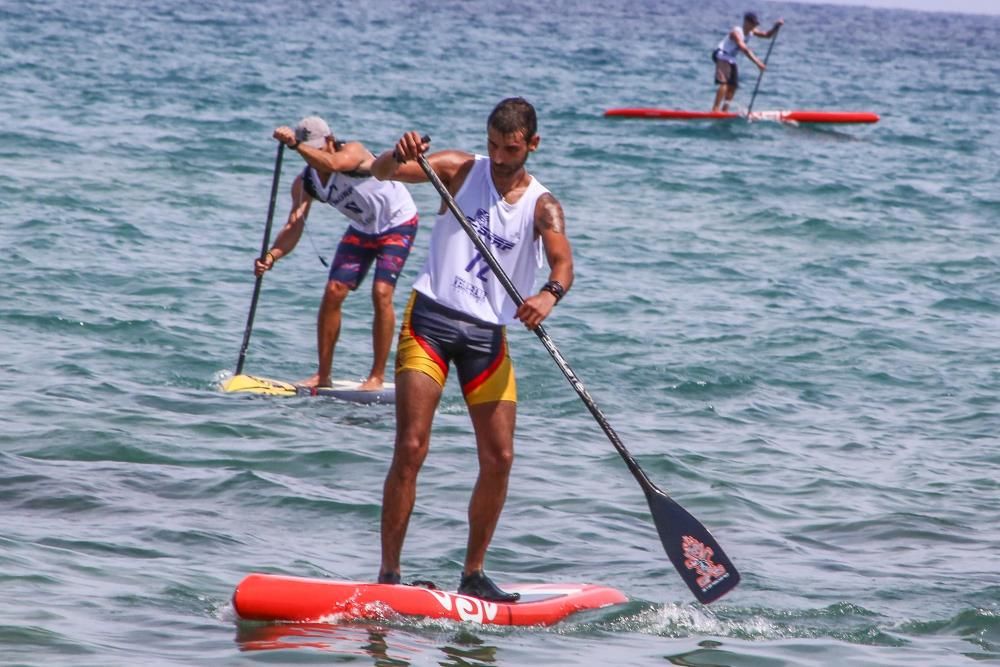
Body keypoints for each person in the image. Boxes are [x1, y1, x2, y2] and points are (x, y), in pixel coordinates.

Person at [369, 97, 574, 602]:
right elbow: (382, 171)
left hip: (487, 338)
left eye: (511, 149)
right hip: (431, 322)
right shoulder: (460, 171)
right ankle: (389, 575)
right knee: (412, 447)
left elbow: (562, 262)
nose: (499, 160)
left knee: (500, 457)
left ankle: (473, 573)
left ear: (532, 144)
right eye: (493, 146)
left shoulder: (542, 204)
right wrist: (398, 153)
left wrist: (548, 295)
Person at [258, 117, 419, 390]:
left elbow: (332, 164)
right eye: (308, 150)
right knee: (333, 291)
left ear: (330, 141)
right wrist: (272, 256)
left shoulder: (352, 152)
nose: (312, 156)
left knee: (381, 292)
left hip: (398, 222)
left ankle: (376, 377)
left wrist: (296, 145)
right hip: (362, 228)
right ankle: (323, 375)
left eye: (316, 148)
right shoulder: (306, 183)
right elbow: (294, 225)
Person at [711, 12, 784, 112]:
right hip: (722, 55)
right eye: (753, 23)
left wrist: (776, 26)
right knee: (724, 83)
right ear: (746, 22)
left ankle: (725, 110)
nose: (754, 26)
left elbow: (767, 35)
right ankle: (715, 109)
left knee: (733, 86)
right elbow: (744, 49)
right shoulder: (736, 32)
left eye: (756, 24)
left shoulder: (751, 32)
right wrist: (758, 63)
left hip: (731, 58)